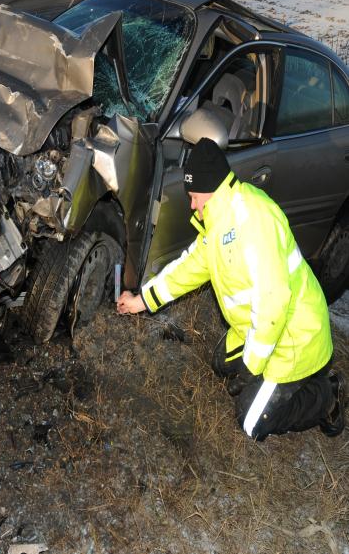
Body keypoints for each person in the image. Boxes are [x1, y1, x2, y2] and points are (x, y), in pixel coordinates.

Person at [117, 137, 346, 441]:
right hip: (259, 327)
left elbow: (273, 304)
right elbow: (189, 267)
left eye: (194, 196)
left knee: (250, 420)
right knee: (221, 364)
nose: (192, 205)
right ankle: (267, 376)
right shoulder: (219, 219)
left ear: (211, 189)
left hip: (294, 336)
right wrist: (142, 301)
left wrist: (253, 366)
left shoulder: (253, 222)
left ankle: (327, 394)